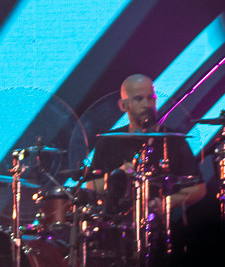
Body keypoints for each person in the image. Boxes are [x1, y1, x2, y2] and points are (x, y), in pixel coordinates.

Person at [84, 74, 206, 214]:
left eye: (151, 98)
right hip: (115, 225)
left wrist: (168, 202)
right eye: (138, 99)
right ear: (123, 105)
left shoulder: (174, 140)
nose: (147, 105)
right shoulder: (108, 141)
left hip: (158, 225)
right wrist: (117, 175)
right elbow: (91, 187)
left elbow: (199, 188)